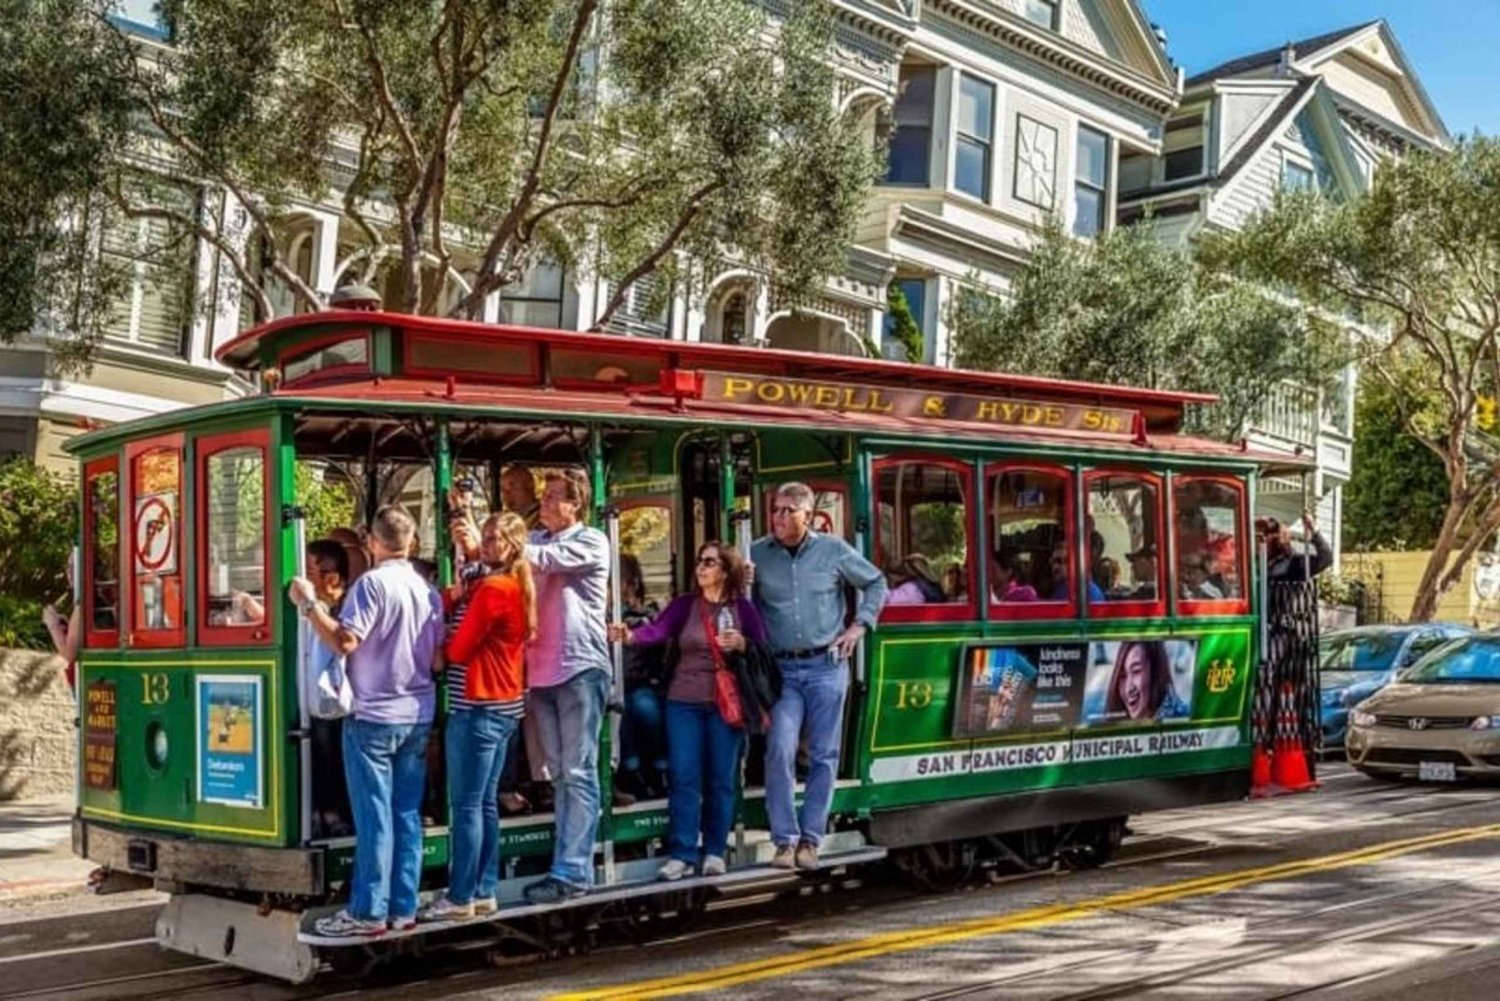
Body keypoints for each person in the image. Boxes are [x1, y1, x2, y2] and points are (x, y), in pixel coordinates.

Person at [290, 505, 445, 938]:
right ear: (411, 541)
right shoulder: (427, 590)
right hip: (416, 714)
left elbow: (344, 640)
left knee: (374, 816)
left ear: (374, 543)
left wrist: (308, 605)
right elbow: (436, 658)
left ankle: (368, 912)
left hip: (373, 716)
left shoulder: (370, 586)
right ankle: (404, 907)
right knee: (406, 815)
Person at [611, 542, 768, 880]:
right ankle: (681, 853)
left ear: (726, 571)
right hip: (682, 703)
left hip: (725, 705)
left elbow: (762, 649)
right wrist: (630, 637)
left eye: (709, 562)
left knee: (721, 779)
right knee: (684, 777)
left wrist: (742, 644)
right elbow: (657, 631)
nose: (701, 567)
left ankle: (714, 850)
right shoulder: (685, 605)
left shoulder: (743, 609)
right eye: (699, 561)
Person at [752, 481, 886, 870]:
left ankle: (811, 840)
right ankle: (784, 841)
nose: (778, 517)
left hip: (826, 665)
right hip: (782, 670)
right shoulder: (757, 553)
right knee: (779, 747)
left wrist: (859, 626)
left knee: (825, 754)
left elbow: (876, 582)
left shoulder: (833, 550)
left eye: (787, 511)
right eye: (775, 509)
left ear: (807, 515)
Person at [419, 513, 535, 922]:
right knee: (484, 803)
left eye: (494, 539)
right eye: (485, 537)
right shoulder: (512, 585)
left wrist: (441, 645)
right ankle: (484, 889)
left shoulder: (494, 590)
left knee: (466, 805)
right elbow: (453, 601)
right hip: (503, 706)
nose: (485, 545)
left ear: (511, 546)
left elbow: (459, 650)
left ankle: (460, 895)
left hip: (478, 705)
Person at [522, 469, 611, 903]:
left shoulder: (591, 540)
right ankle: (563, 865)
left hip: (579, 668)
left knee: (577, 772)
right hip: (540, 672)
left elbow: (541, 562)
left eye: (554, 496)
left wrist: (502, 542)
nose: (545, 501)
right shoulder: (536, 540)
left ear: (576, 505)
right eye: (544, 495)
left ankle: (574, 870)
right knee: (557, 775)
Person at [304, 539, 354, 838]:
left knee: (330, 752)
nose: (303, 576)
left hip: (336, 700)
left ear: (331, 578)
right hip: (313, 696)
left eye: (310, 569)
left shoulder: (342, 608)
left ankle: (334, 813)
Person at [617, 554, 667, 801]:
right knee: (620, 708)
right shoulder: (602, 616)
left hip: (643, 682)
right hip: (613, 684)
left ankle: (659, 767)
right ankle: (631, 769)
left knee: (645, 707)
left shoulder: (649, 615)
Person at [1106, 641, 1187, 721]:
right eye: (1123, 675)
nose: (1128, 688)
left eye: (1136, 671)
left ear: (1155, 671)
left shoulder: (1182, 720)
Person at [1263, 511, 1333, 583]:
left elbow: (1326, 558)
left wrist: (1313, 528)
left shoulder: (1297, 564)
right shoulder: (1257, 563)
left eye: (1267, 535)